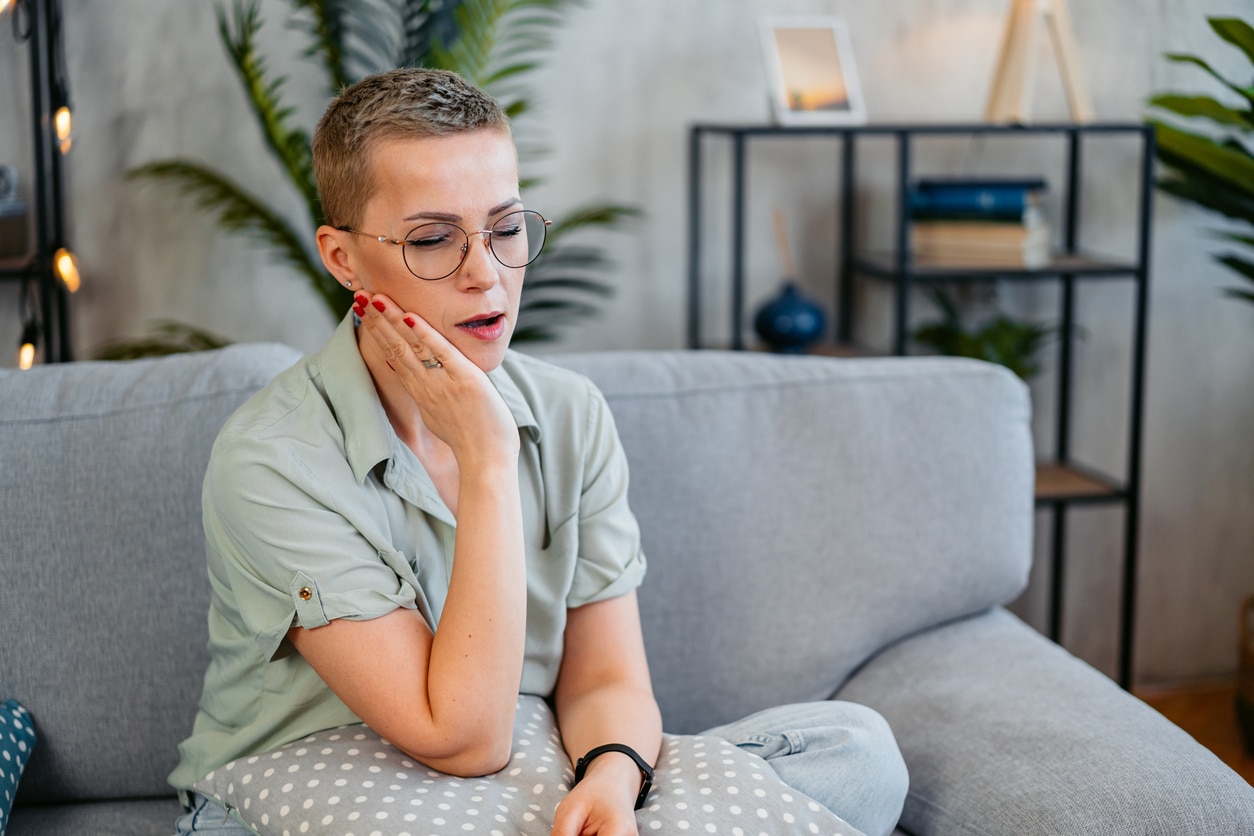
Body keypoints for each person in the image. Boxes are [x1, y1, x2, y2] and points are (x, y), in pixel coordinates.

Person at [169, 67, 908, 836]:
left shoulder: (570, 414)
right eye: (432, 239)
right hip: (308, 785)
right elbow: (460, 736)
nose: (486, 274)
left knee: (856, 754)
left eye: (507, 227)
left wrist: (613, 780)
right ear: (343, 257)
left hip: (525, 770)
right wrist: (488, 458)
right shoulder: (272, 457)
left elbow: (606, 679)